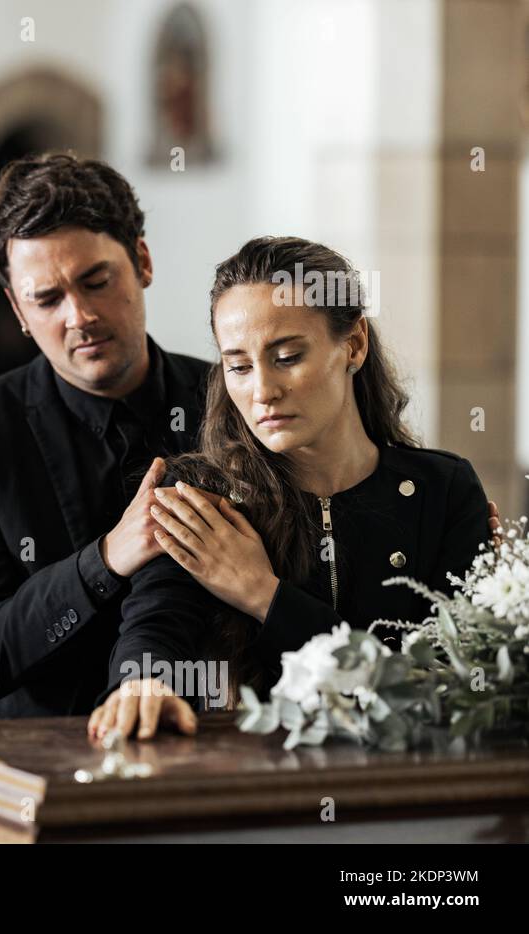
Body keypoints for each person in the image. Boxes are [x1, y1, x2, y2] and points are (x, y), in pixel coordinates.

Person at [89, 237, 492, 741]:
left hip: (407, 787)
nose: (262, 390)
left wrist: (263, 594)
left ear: (354, 345)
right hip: (245, 788)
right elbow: (154, 623)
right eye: (238, 365)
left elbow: (447, 686)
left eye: (286, 356)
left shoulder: (444, 490)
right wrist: (141, 683)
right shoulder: (198, 490)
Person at [0, 153, 209, 719]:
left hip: (205, 744)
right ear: (17, 309)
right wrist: (107, 558)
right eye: (47, 299)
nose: (79, 315)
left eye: (96, 281)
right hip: (33, 767)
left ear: (143, 262)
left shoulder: (227, 399)